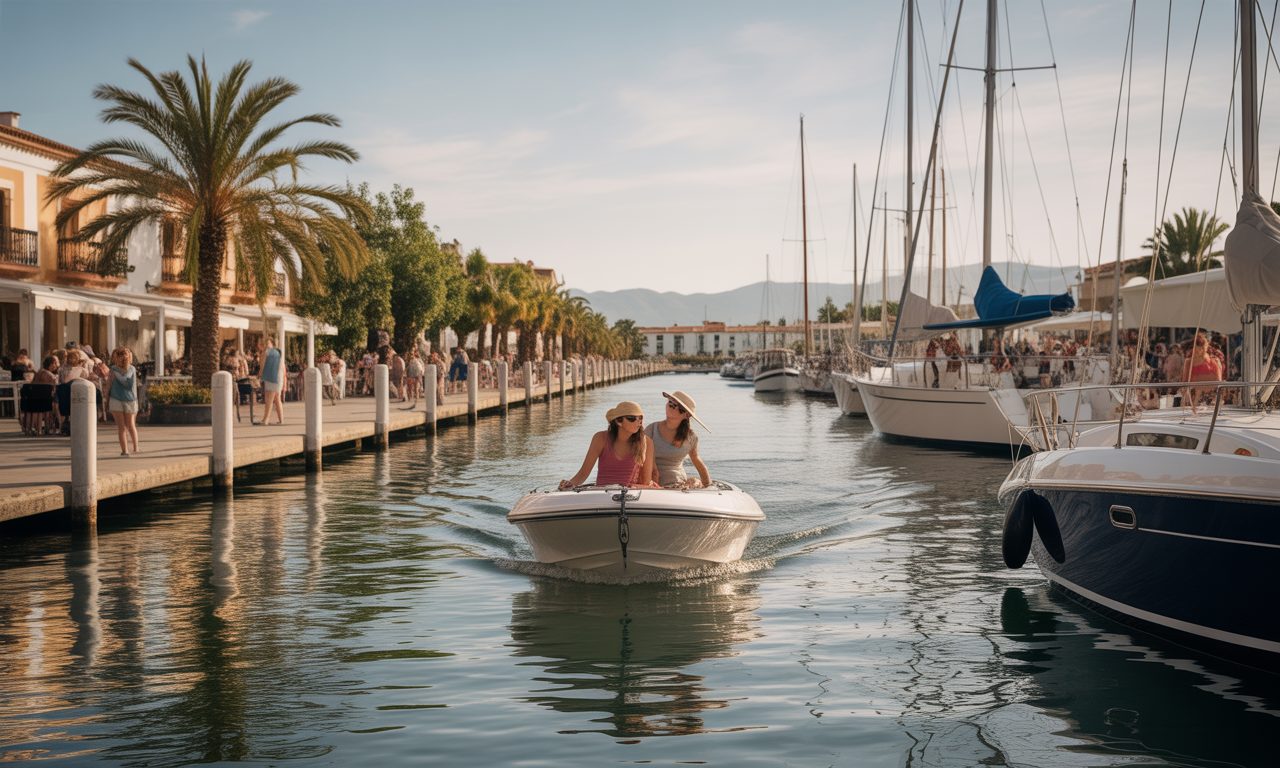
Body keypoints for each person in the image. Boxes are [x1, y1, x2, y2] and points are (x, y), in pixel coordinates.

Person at [559, 401, 656, 490]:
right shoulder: (600, 438)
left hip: (629, 495)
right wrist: (570, 484)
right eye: (632, 419)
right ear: (619, 421)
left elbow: (646, 482)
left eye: (640, 418)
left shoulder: (646, 442)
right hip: (602, 495)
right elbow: (583, 473)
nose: (638, 422)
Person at [644, 391, 712, 488]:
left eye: (676, 406)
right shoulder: (651, 430)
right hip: (651, 483)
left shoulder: (691, 437)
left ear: (685, 414)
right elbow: (639, 456)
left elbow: (696, 460)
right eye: (670, 403)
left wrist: (707, 485)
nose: (670, 407)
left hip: (679, 485)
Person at [106, 347, 140, 456]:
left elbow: (109, 385)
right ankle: (135, 448)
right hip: (130, 399)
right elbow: (129, 383)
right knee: (131, 425)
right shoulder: (132, 369)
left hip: (116, 399)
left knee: (121, 428)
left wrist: (106, 397)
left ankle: (125, 451)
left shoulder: (113, 370)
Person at [258, 336, 285, 425]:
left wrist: (260, 375)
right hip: (278, 375)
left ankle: (265, 420)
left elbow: (263, 365)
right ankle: (281, 419)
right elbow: (282, 366)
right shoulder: (278, 352)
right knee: (277, 397)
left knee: (269, 398)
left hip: (271, 375)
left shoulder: (266, 352)